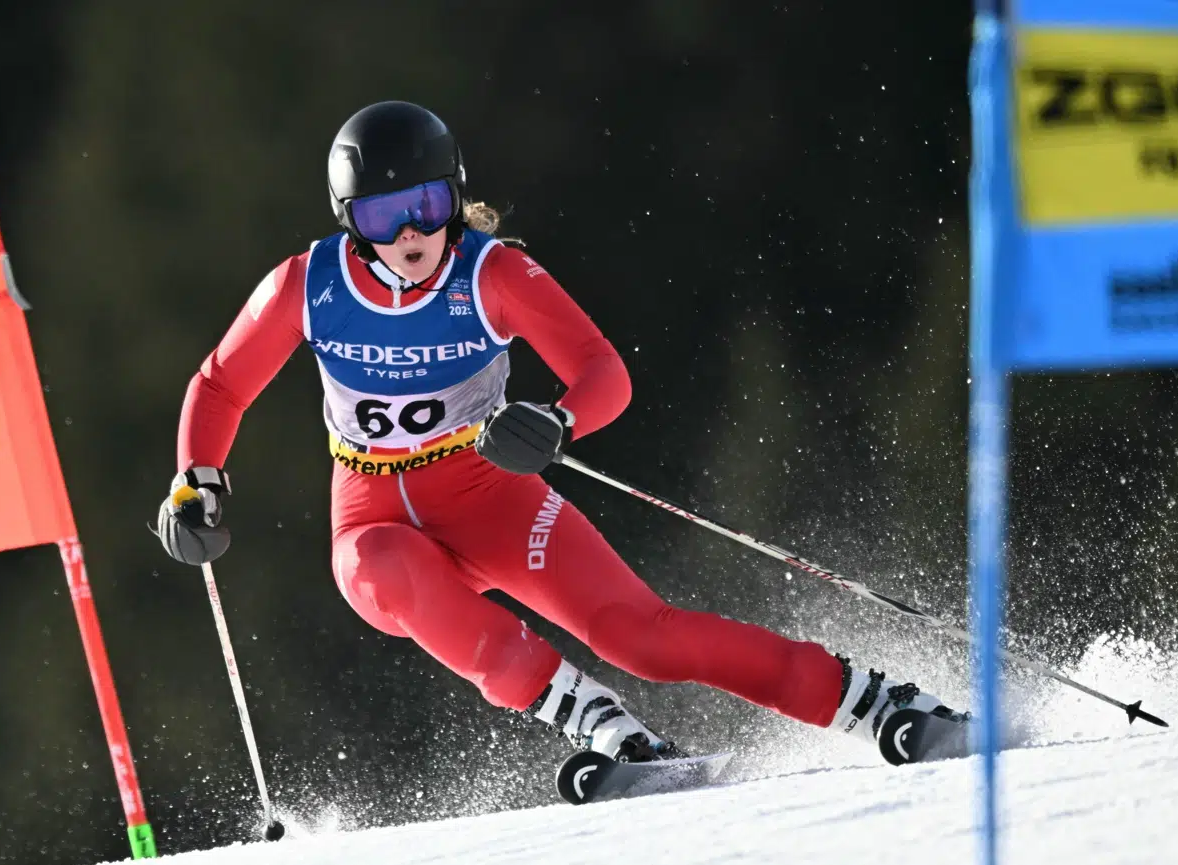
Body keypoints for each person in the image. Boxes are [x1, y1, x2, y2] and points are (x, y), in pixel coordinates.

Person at [157, 101, 966, 766]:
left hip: (489, 495)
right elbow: (221, 383)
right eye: (385, 214)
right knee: (380, 564)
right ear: (350, 220)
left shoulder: (491, 274)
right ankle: (597, 722)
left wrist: (558, 420)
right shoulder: (307, 286)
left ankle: (872, 702)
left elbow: (602, 370)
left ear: (453, 196)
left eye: (429, 206)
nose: (412, 234)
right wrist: (198, 481)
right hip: (370, 510)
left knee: (641, 637)